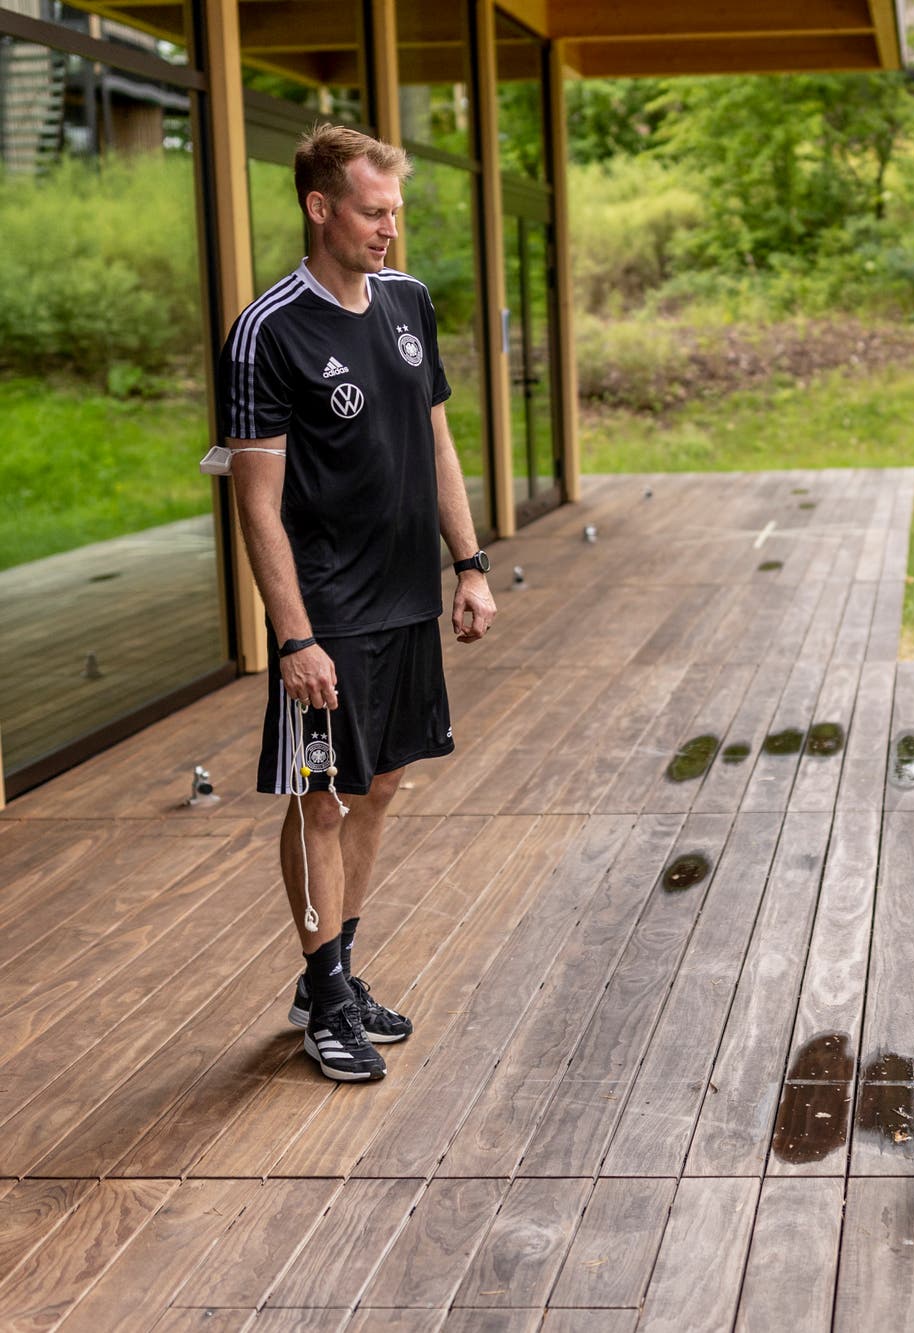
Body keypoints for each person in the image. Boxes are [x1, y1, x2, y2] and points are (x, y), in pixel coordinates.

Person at [219, 124, 496, 1082]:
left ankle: (332, 968)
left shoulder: (409, 302)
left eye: (396, 210)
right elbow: (256, 502)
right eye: (374, 211)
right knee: (319, 799)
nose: (390, 228)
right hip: (326, 610)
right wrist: (293, 636)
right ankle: (324, 994)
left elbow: (439, 442)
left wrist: (470, 563)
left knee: (380, 784)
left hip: (406, 599)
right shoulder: (268, 331)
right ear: (319, 207)